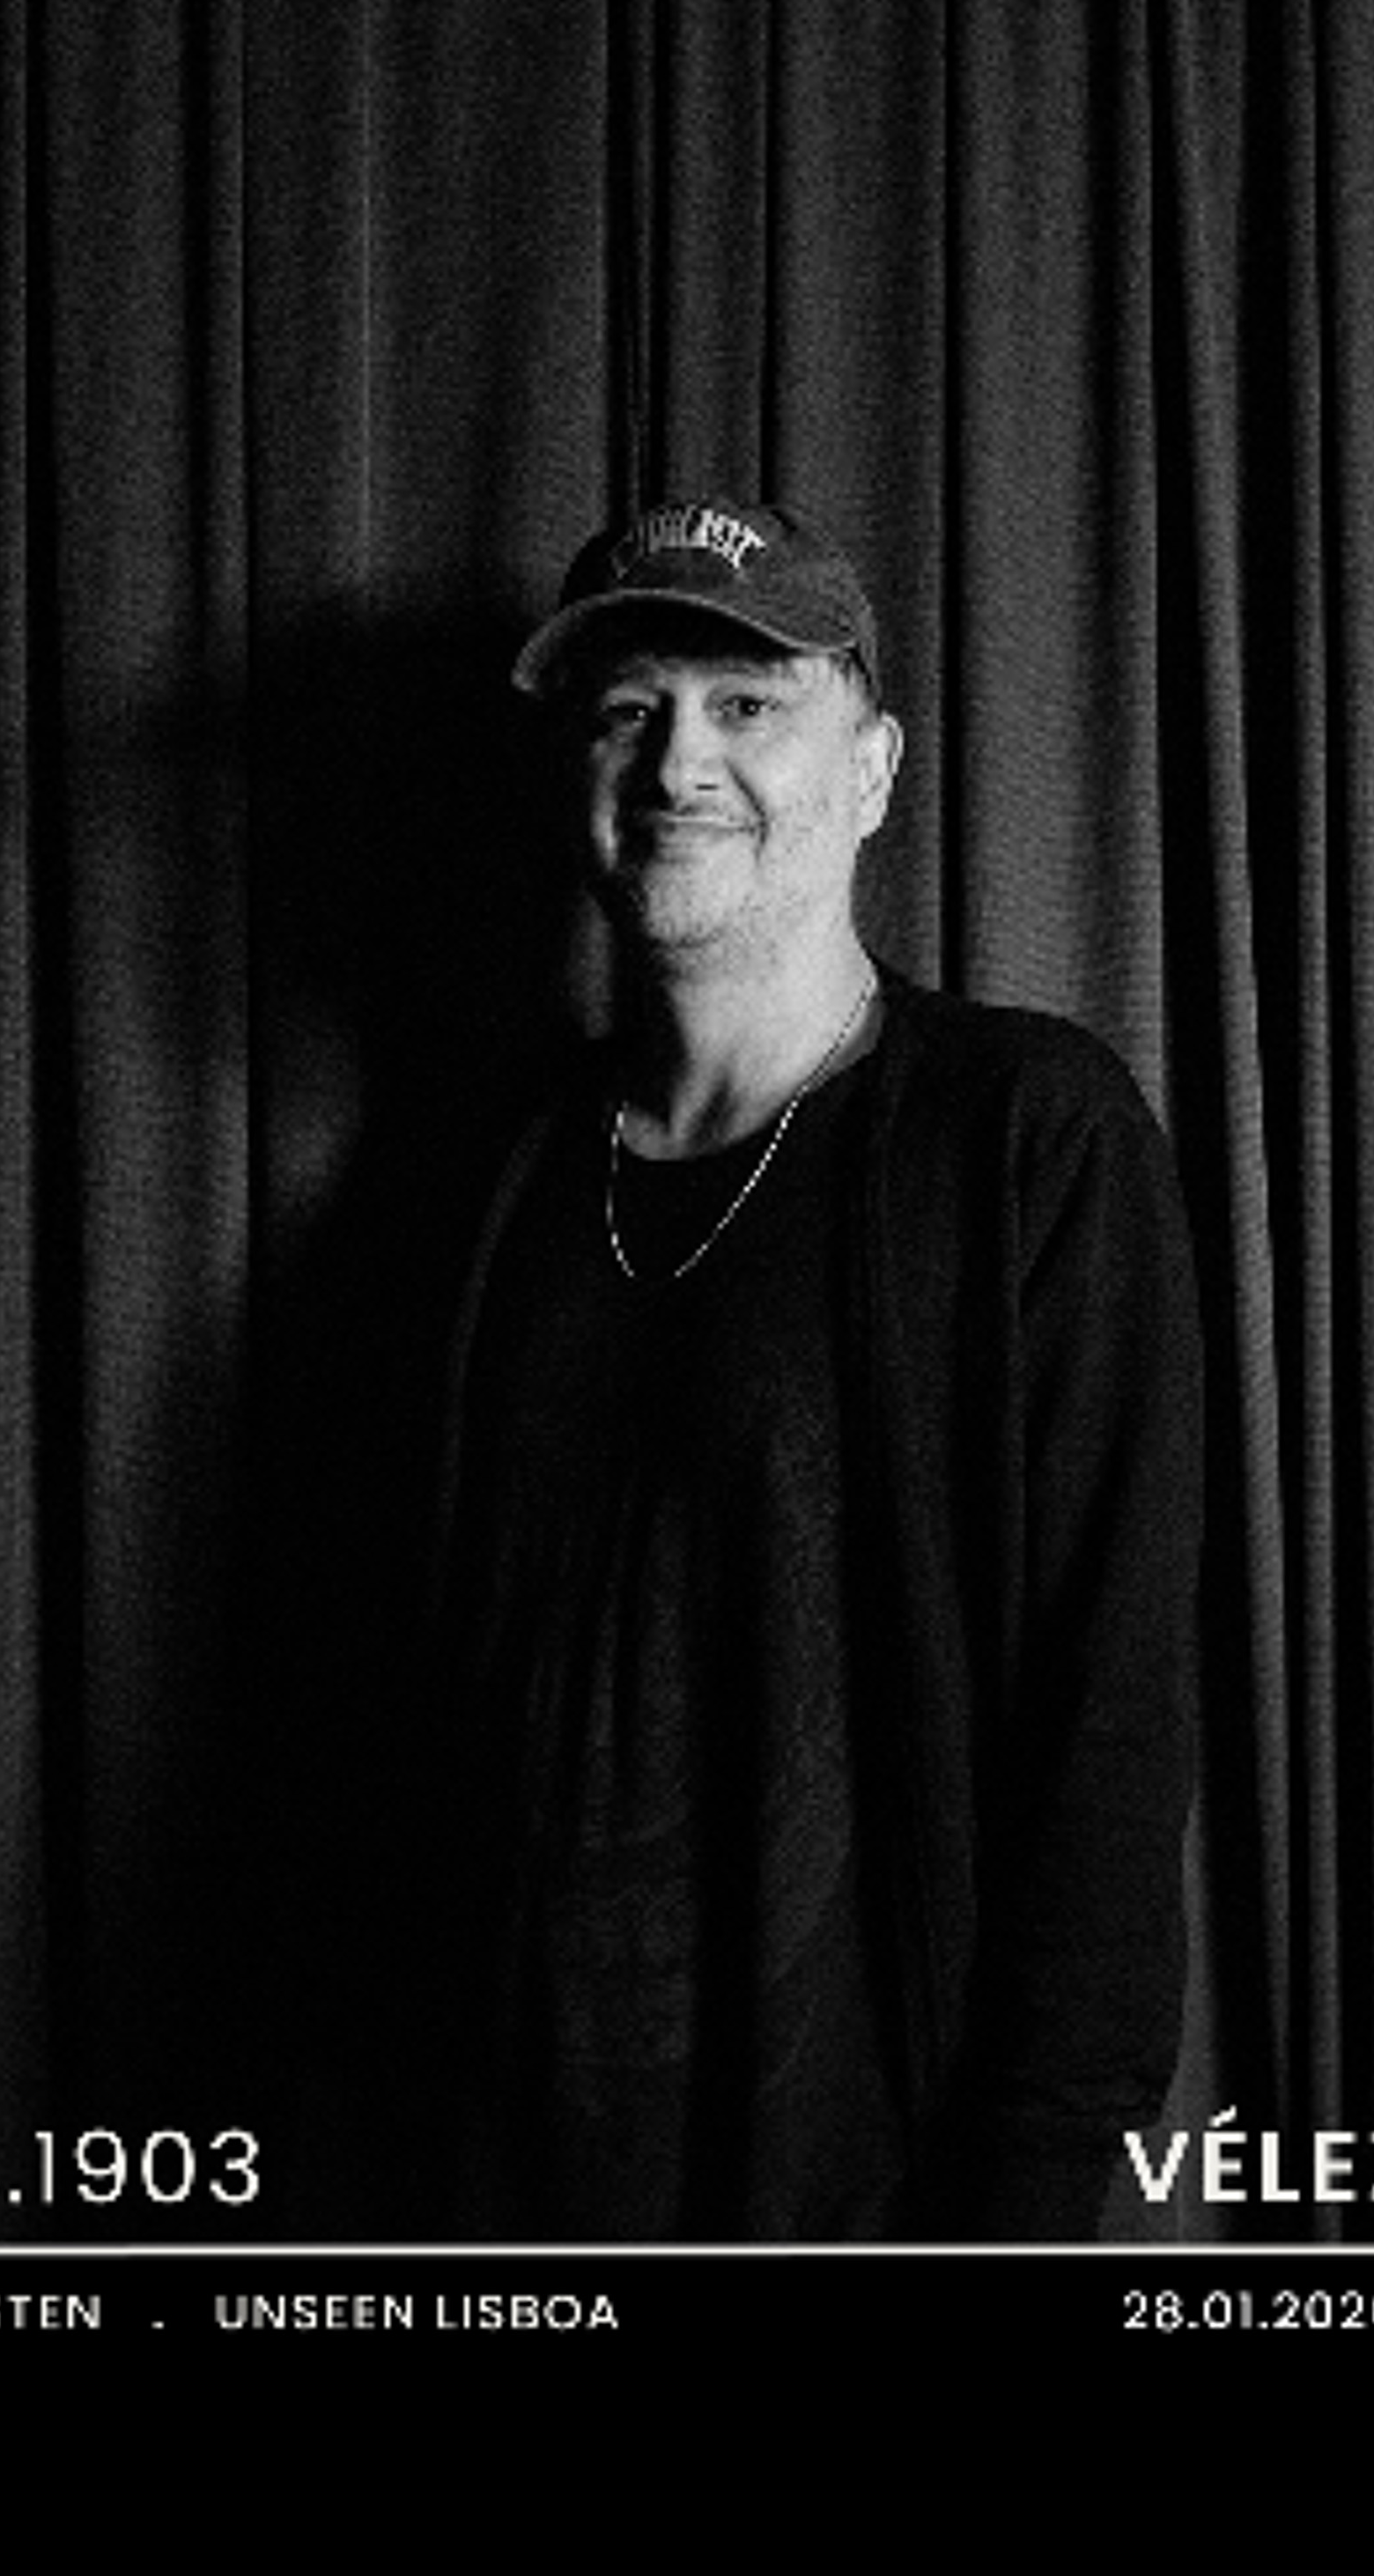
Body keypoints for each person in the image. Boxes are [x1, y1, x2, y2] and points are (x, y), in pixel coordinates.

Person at [420, 495, 1204, 2240]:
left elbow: (1108, 1738)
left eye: (746, 702)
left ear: (873, 768)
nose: (678, 761)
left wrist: (1009, 2222)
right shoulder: (492, 1181)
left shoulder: (1029, 1141)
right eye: (629, 709)